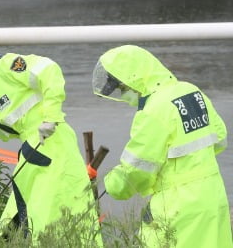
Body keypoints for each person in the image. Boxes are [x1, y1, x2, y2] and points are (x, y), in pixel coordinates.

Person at [0, 50, 103, 245]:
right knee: (14, 224)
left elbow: (48, 70)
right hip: (34, 151)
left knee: (51, 215)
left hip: (53, 144)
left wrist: (51, 117)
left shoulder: (3, 67)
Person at [92, 45, 232, 247]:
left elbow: (136, 170)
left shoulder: (153, 111)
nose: (123, 95)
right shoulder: (191, 91)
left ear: (134, 80)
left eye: (122, 88)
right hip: (213, 195)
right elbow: (220, 139)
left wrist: (112, 184)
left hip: (178, 205)